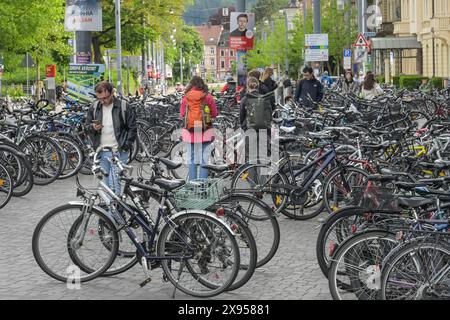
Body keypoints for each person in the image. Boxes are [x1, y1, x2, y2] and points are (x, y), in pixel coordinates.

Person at [84, 81, 137, 195]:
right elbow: (85, 128)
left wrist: (125, 146)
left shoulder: (123, 106)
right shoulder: (94, 107)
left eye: (105, 98)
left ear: (112, 93)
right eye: (100, 99)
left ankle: (116, 211)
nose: (102, 101)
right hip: (102, 152)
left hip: (119, 152)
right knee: (105, 187)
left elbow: (132, 128)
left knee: (116, 185)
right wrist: (92, 128)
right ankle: (110, 212)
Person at [180, 76, 218, 181]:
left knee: (192, 159)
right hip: (205, 131)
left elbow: (182, 115)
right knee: (204, 159)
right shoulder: (207, 97)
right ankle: (202, 187)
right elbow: (214, 114)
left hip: (190, 131)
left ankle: (192, 186)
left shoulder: (186, 98)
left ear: (191, 85)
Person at [239, 77, 272, 163]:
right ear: (258, 87)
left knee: (251, 159)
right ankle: (262, 176)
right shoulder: (265, 99)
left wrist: (245, 128)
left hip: (250, 132)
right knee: (263, 159)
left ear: (247, 87)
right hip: (264, 132)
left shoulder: (245, 99)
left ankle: (252, 176)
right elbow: (270, 116)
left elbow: (241, 118)